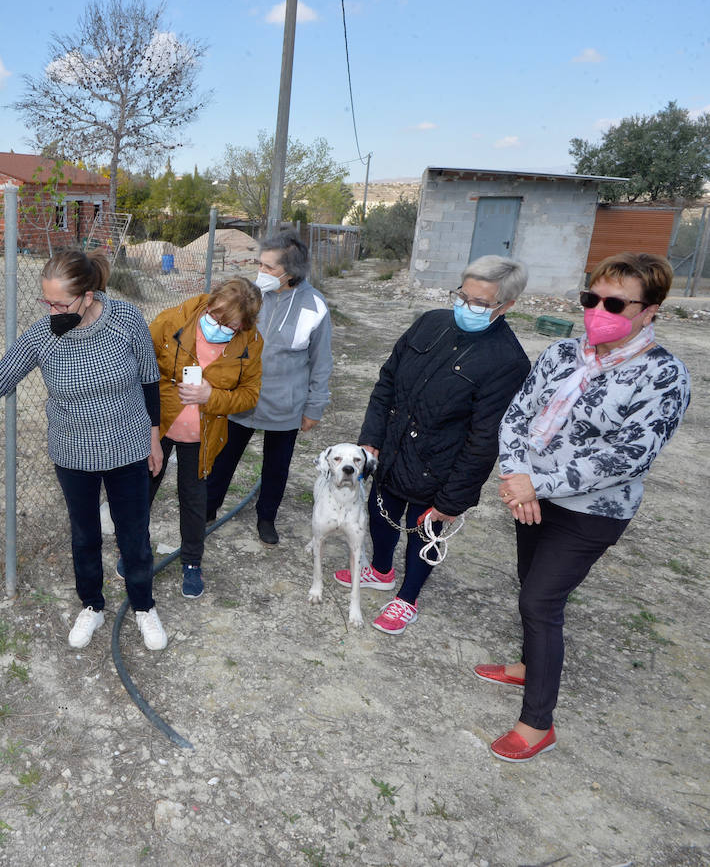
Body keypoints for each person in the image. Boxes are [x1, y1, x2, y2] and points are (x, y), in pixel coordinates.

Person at [479, 252, 690, 761]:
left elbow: (629, 455)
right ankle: (530, 664)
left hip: (593, 511)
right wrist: (514, 475)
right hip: (529, 492)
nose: (598, 308)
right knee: (528, 582)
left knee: (541, 601)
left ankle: (537, 723)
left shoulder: (664, 375)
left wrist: (538, 483)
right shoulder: (561, 354)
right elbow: (517, 416)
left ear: (650, 309)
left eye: (614, 302)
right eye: (590, 298)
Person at [0, 248, 168, 651]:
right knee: (85, 535)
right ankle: (92, 606)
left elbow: (149, 378)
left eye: (61, 303)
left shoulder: (127, 320)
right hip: (73, 452)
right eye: (47, 301)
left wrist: (153, 436)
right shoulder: (43, 335)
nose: (53, 310)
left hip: (128, 445)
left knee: (134, 533)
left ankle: (144, 606)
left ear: (89, 296)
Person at [339, 255, 531, 634]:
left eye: (479, 302)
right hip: (394, 450)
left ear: (507, 306)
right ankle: (380, 571)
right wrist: (372, 438)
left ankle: (407, 599)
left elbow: (484, 439)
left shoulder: (508, 361)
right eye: (462, 294)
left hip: (440, 466)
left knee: (424, 531)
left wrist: (453, 500)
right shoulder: (430, 323)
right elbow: (387, 382)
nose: (465, 306)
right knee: (381, 513)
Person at [203, 231, 332, 546]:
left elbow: (321, 362)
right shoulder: (249, 297)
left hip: (284, 404)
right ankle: (207, 510)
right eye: (259, 263)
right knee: (222, 458)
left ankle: (266, 518)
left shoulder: (315, 306)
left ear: (291, 271)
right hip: (241, 399)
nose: (261, 272)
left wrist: (313, 407)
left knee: (276, 467)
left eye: (269, 267)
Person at [147, 278, 263, 598]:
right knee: (142, 490)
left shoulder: (251, 343)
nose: (220, 326)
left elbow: (249, 395)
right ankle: (133, 553)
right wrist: (148, 425)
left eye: (231, 325)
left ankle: (192, 563)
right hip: (159, 427)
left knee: (195, 501)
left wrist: (212, 396)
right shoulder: (172, 321)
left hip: (203, 435)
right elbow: (142, 367)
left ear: (245, 326)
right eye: (215, 317)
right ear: (209, 303)